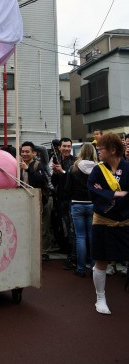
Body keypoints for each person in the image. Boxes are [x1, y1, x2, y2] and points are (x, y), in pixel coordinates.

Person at [88, 133, 129, 315]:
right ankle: (100, 297)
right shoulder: (98, 170)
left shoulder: (128, 167)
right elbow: (92, 190)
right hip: (103, 221)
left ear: (112, 150)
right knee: (101, 260)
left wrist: (104, 191)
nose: (98, 151)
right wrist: (113, 194)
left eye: (101, 149)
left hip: (125, 220)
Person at [65, 143, 97, 277]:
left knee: (80, 237)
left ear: (81, 152)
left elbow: (67, 188)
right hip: (92, 204)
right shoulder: (98, 168)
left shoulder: (74, 168)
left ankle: (81, 268)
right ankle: (95, 268)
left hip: (77, 204)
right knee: (92, 237)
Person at [20, 141, 52, 260]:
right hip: (26, 199)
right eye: (22, 151)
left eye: (27, 151)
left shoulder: (39, 165)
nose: (24, 154)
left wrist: (28, 169)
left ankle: (44, 252)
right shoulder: (18, 166)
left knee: (43, 226)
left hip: (42, 199)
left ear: (34, 153)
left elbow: (41, 181)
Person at [51, 137, 76, 268]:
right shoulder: (57, 160)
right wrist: (55, 173)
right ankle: (68, 253)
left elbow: (75, 180)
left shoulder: (75, 161)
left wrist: (63, 172)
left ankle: (73, 258)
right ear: (59, 148)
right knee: (65, 228)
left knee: (72, 230)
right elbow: (54, 182)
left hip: (71, 200)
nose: (66, 148)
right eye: (64, 146)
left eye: (68, 146)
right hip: (60, 199)